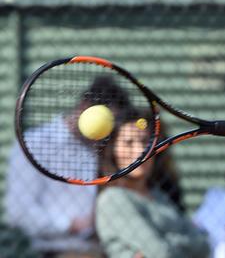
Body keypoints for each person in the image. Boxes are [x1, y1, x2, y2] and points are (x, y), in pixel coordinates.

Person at [5, 76, 131, 257]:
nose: (107, 131)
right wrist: (71, 225)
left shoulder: (103, 149)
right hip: (49, 251)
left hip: (100, 249)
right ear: (84, 106)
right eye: (105, 122)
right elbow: (18, 213)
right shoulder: (33, 143)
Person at [95, 110, 210, 258]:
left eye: (145, 142)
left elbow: (203, 247)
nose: (140, 151)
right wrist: (182, 242)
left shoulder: (159, 195)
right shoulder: (112, 199)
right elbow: (161, 253)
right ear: (113, 151)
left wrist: (167, 241)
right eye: (128, 143)